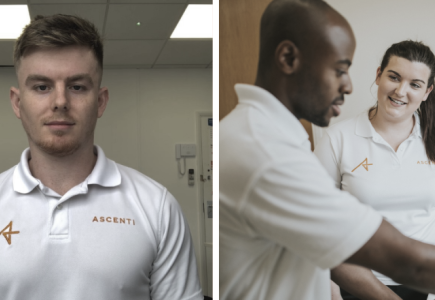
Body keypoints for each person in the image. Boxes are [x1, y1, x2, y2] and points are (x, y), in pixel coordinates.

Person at [220, 0, 435, 299]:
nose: (348, 86)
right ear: (288, 58)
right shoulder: (267, 154)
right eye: (339, 69)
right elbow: (406, 263)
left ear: (427, 92)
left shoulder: (276, 139)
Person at [0, 14, 202, 300]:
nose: (60, 102)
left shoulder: (157, 207)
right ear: (18, 103)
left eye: (77, 86)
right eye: (42, 87)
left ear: (101, 101)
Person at [315, 40, 435, 300]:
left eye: (415, 84)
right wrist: (331, 290)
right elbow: (316, 224)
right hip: (357, 284)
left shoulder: (431, 141)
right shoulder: (338, 139)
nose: (401, 91)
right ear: (379, 75)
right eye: (394, 77)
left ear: (427, 92)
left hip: (423, 283)